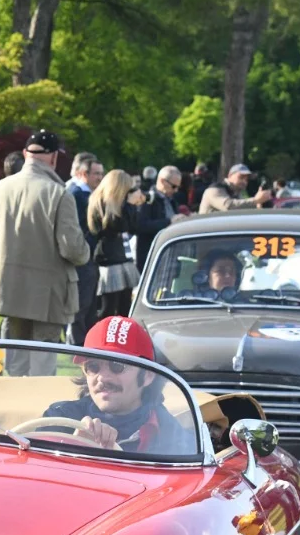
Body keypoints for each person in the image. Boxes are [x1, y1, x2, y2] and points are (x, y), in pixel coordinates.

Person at [0, 129, 91, 376]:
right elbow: (73, 248)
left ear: (24, 154)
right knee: (42, 370)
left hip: (10, 290)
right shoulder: (58, 193)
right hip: (48, 297)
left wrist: (2, 275)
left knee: (15, 368)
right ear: (53, 158)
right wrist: (86, 252)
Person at [41, 315, 197, 455]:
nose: (102, 378)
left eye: (117, 366)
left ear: (148, 376)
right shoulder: (59, 419)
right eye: (93, 366)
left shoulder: (171, 434)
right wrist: (73, 448)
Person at [89, 169, 144, 320]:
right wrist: (130, 205)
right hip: (109, 262)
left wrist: (132, 205)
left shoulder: (120, 204)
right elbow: (118, 226)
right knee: (108, 309)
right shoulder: (103, 203)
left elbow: (133, 227)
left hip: (123, 259)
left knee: (125, 309)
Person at [66, 152, 102, 346]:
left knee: (88, 307)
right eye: (96, 173)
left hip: (89, 259)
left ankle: (85, 348)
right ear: (83, 174)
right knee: (78, 308)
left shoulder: (87, 194)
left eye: (101, 173)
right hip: (80, 260)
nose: (100, 178)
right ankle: (76, 349)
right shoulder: (75, 194)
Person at [134, 165, 178, 271]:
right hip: (152, 256)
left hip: (169, 255)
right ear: (163, 181)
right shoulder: (147, 199)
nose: (176, 190)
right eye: (173, 186)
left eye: (178, 187)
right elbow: (140, 226)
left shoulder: (171, 200)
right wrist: (169, 221)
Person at [198, 163, 273, 213]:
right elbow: (229, 206)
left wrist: (260, 203)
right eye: (241, 177)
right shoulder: (214, 190)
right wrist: (256, 200)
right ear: (230, 175)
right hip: (206, 235)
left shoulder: (236, 193)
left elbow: (243, 210)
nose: (244, 181)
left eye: (246, 179)